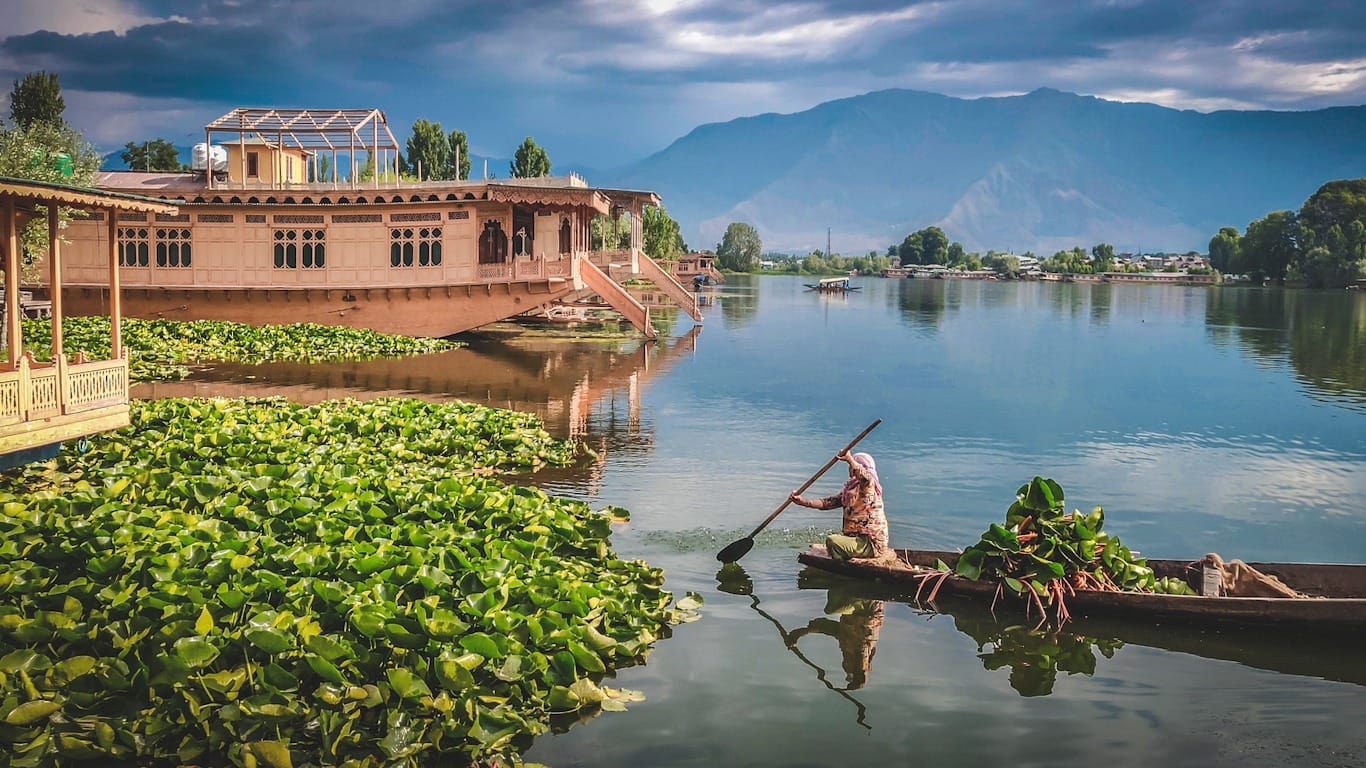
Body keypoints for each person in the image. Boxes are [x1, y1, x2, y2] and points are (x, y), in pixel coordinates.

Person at [789, 451, 889, 561]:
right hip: (857, 540)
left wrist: (850, 460)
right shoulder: (850, 490)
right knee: (834, 540)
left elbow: (866, 478)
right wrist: (803, 502)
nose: (849, 469)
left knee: (832, 540)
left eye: (852, 466)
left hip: (870, 543)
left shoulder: (868, 487)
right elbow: (827, 503)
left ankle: (843, 563)